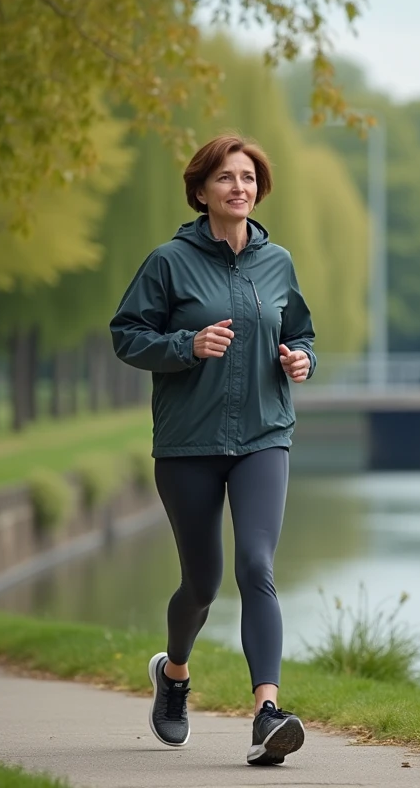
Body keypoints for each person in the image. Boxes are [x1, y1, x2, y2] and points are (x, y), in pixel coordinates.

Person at [110, 133, 317, 767]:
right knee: (201, 582)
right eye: (226, 177)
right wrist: (185, 346)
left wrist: (302, 358)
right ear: (201, 191)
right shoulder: (168, 262)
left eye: (249, 177)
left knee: (256, 565)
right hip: (188, 443)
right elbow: (127, 336)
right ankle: (173, 676)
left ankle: (266, 715)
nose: (239, 187)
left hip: (262, 436)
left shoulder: (277, 261)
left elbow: (302, 330)